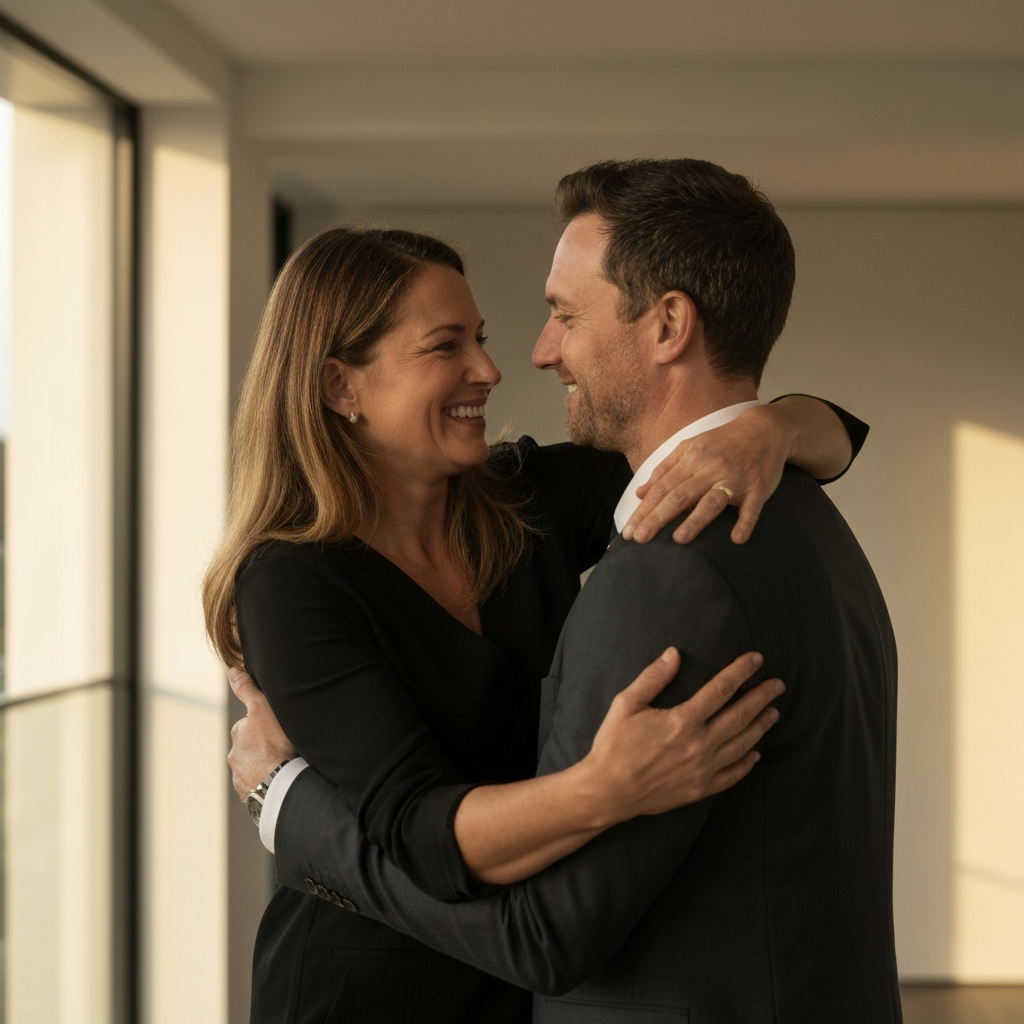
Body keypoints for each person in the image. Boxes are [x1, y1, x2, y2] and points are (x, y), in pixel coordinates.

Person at [214, 216, 869, 1023]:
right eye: (446, 346)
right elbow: (421, 834)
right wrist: (605, 787)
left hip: (515, 981)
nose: (488, 369)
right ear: (339, 386)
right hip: (365, 990)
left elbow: (819, 440)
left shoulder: (525, 500)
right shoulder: (291, 583)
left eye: (480, 338)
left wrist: (770, 427)